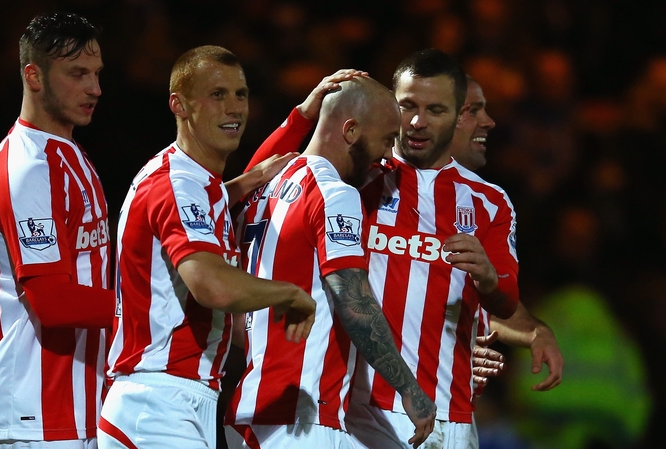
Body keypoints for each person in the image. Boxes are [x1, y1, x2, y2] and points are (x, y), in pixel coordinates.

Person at [245, 49, 520, 449]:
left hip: (451, 412)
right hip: (361, 414)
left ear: (459, 115)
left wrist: (490, 279)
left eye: (435, 110)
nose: (417, 122)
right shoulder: (357, 178)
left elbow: (507, 301)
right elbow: (269, 186)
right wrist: (303, 115)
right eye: (407, 106)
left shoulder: (489, 202)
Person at [97, 45, 317, 449]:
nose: (234, 108)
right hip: (158, 404)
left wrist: (247, 179)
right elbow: (212, 286)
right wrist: (291, 293)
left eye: (240, 94)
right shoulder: (178, 185)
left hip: (170, 402)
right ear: (179, 105)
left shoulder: (198, 184)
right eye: (217, 94)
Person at [224, 74, 436, 449]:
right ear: (350, 130)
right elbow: (352, 299)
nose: (388, 155)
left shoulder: (263, 186)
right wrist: (408, 388)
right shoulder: (335, 194)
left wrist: (299, 116)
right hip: (303, 417)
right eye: (386, 139)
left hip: (252, 408)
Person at [0, 13, 114, 449]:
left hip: (80, 408)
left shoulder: (68, 153)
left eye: (96, 74)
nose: (95, 88)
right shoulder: (27, 169)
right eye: (78, 74)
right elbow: (52, 301)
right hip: (34, 417)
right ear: (33, 76)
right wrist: (148, 309)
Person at [451, 75, 563, 393]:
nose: (489, 121)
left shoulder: (490, 203)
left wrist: (535, 331)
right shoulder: (371, 185)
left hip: (447, 405)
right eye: (473, 110)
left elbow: (489, 300)